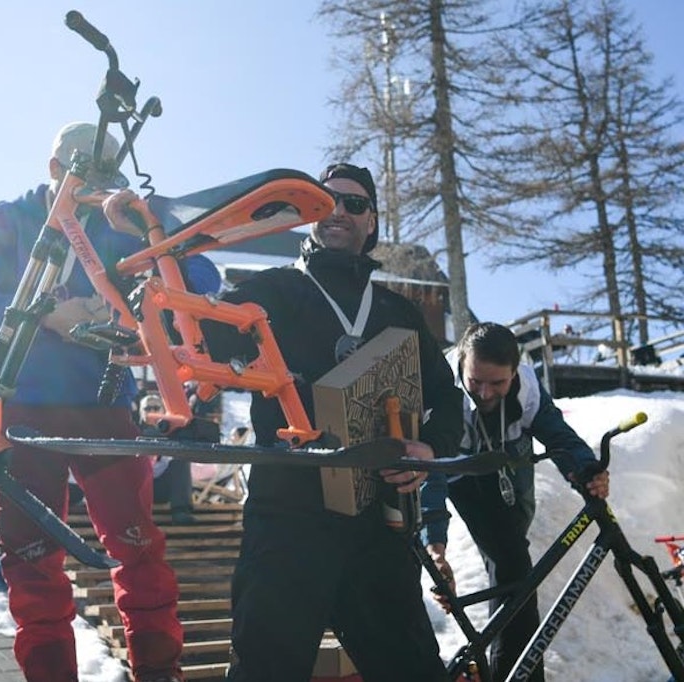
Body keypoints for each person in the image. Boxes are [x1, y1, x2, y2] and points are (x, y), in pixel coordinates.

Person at [0, 121, 219, 682]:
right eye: (87, 174)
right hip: (20, 408)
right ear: (56, 169)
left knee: (138, 550)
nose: (98, 188)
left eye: (109, 175)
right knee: (31, 561)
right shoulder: (9, 219)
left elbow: (200, 272)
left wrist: (151, 255)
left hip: (106, 409)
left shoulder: (119, 218)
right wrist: (47, 314)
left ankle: (158, 672)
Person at [194, 162, 464, 681]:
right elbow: (203, 339)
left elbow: (447, 398)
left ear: (372, 223)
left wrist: (430, 447)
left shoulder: (399, 312)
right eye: (325, 201)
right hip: (287, 519)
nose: (339, 210)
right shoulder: (268, 292)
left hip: (379, 528)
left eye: (354, 203)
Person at [421, 322, 610, 682]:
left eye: (498, 383)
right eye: (476, 381)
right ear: (462, 363)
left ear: (514, 372)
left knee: (514, 567)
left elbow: (560, 438)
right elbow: (431, 474)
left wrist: (587, 471)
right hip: (453, 467)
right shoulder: (443, 390)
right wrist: (436, 546)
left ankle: (515, 673)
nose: (485, 392)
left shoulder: (528, 391)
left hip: (506, 468)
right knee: (418, 553)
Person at [139, 393, 197, 525]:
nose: (152, 412)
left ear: (163, 411)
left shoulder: (173, 431)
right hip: (138, 488)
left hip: (161, 487)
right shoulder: (132, 431)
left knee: (181, 461)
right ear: (140, 412)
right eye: (147, 408)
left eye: (156, 408)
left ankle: (181, 511)